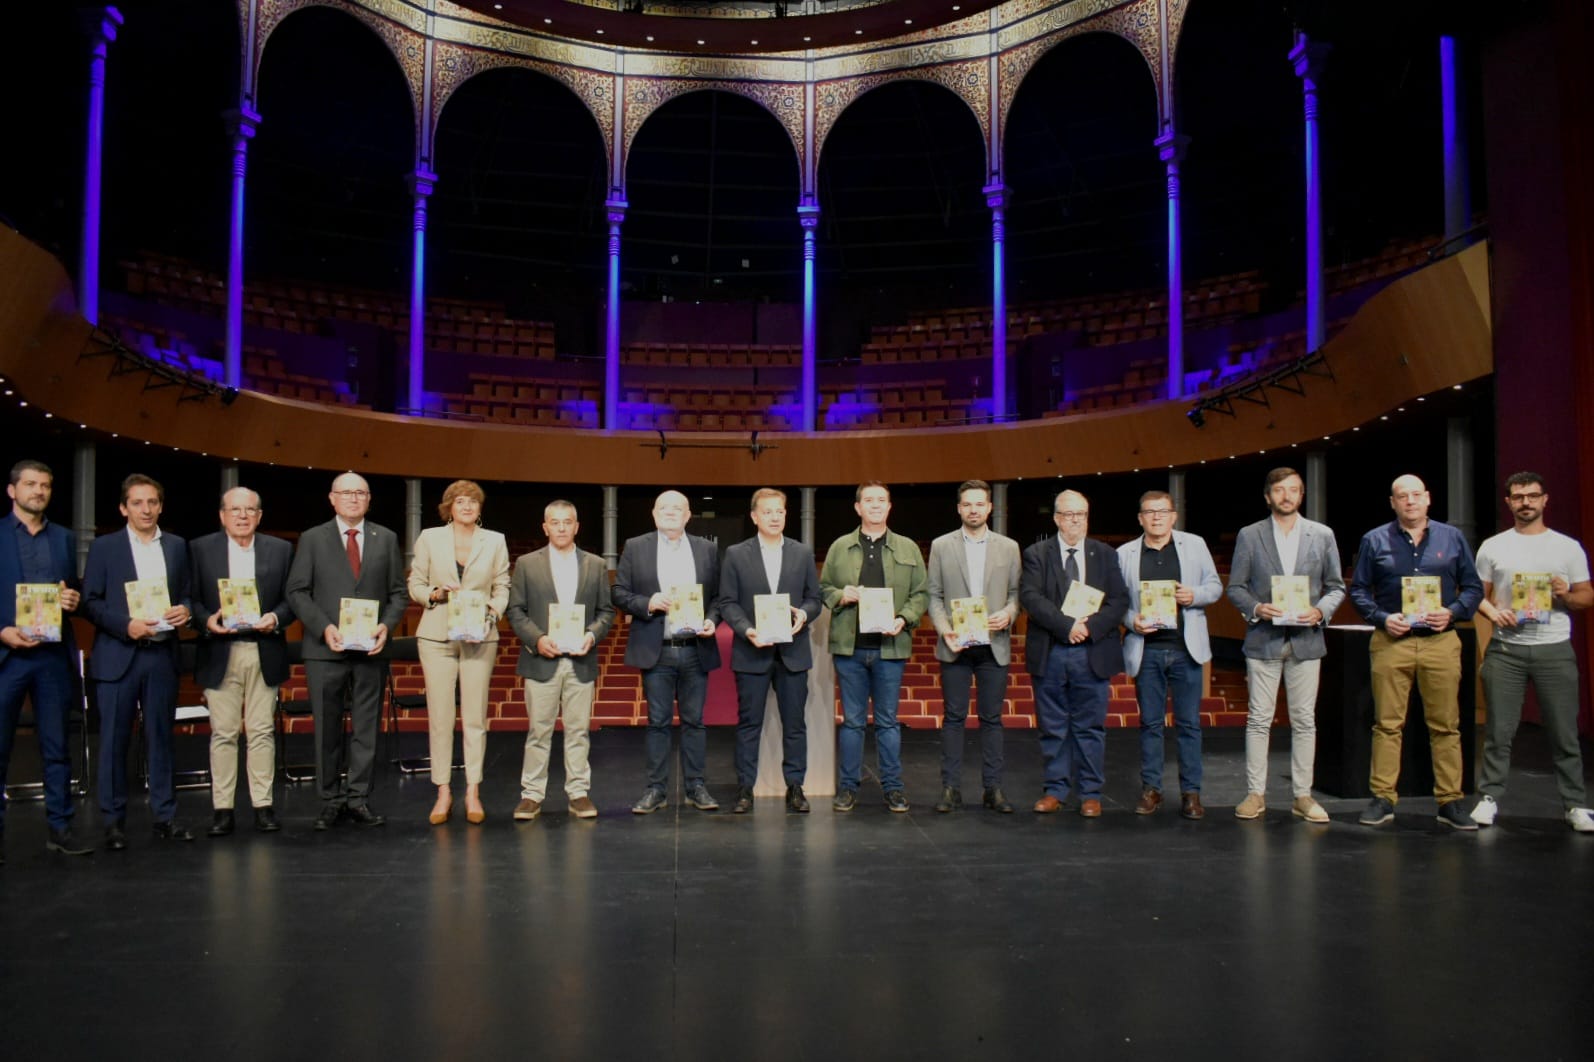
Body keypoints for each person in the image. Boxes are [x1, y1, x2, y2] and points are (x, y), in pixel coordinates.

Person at [1348, 473, 1483, 829]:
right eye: (1402, 496)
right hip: (1392, 642)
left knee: (1446, 725)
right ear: (1392, 503)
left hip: (1441, 641)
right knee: (1387, 724)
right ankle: (1382, 798)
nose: (1410, 501)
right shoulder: (1374, 540)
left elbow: (1473, 588)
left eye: (1415, 494)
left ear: (1428, 498)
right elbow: (1358, 590)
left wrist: (1453, 612)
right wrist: (1382, 617)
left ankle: (1450, 801)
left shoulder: (1452, 538)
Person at [1469, 472, 1593, 832]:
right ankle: (1489, 798)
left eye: (1532, 496)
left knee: (1564, 732)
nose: (1526, 502)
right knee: (1499, 731)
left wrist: (1565, 594)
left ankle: (1575, 804)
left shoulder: (1567, 547)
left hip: (1554, 648)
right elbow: (1476, 594)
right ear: (1508, 502)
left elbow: (1586, 596)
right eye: (1519, 497)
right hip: (1506, 650)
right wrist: (1494, 613)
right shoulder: (1493, 546)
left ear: (1544, 499)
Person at [285, 472, 409, 831]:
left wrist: (386, 625)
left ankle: (358, 798)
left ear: (369, 499)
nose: (353, 498)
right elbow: (297, 591)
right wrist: (324, 627)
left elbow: (398, 593)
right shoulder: (312, 538)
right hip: (326, 649)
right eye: (346, 492)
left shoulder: (386, 538)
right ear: (332, 498)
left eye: (360, 492)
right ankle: (329, 799)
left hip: (371, 650)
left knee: (366, 728)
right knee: (327, 727)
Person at [1225, 468, 1345, 823]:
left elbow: (1336, 587)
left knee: (1305, 721)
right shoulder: (1250, 535)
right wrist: (1257, 608)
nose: (1287, 495)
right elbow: (1236, 588)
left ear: (1301, 495)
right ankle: (1255, 794)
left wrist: (1319, 611)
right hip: (1264, 639)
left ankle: (1302, 796)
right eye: (1280, 490)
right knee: (1258, 720)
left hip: (1307, 641)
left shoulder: (1322, 535)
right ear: (1268, 496)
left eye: (1293, 490)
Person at [81, 473, 194, 849]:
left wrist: (185, 610)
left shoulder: (176, 546)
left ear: (160, 506)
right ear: (123, 508)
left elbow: (188, 594)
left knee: (161, 738)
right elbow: (90, 601)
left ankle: (165, 816)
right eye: (137, 503)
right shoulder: (105, 547)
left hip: (161, 655)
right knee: (114, 741)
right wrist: (124, 625)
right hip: (119, 655)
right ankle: (113, 822)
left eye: (152, 502)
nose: (145, 509)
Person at [0, 459, 92, 860]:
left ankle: (60, 828)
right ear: (12, 490)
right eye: (31, 484)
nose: (38, 491)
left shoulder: (64, 538)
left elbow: (71, 592)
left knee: (57, 748)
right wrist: (1, 631)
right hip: (7, 656)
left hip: (52, 656)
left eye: (45, 485)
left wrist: (72, 599)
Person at [189, 486, 295, 836]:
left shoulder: (280, 550)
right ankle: (223, 809)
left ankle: (263, 806)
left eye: (250, 510)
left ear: (259, 516)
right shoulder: (200, 549)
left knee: (262, 731)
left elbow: (292, 599)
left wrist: (275, 618)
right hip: (220, 650)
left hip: (264, 648)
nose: (242, 516)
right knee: (223, 733)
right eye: (235, 509)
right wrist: (205, 620)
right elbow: (190, 599)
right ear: (222, 516)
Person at [1020, 489, 1129, 817]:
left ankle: (1090, 793)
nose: (1076, 521)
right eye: (1069, 515)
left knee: (1090, 726)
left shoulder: (1105, 554)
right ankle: (1055, 789)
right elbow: (1031, 597)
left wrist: (1089, 628)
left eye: (1081, 514)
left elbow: (1119, 601)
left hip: (1092, 651)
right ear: (1056, 518)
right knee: (1052, 725)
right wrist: (1067, 626)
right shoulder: (1037, 554)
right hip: (1051, 650)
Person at [612, 490, 721, 815]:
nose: (670, 512)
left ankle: (696, 787)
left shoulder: (707, 549)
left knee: (694, 722)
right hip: (656, 648)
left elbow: (719, 597)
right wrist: (646, 603)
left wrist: (712, 620)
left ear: (688, 515)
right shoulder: (636, 546)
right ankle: (655, 790)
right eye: (664, 507)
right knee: (657, 722)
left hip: (695, 648)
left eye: (678, 508)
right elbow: (618, 592)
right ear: (654, 513)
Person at [820, 481, 928, 813]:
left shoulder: (908, 548)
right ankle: (848, 787)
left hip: (890, 647)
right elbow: (824, 588)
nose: (876, 505)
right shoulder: (840, 547)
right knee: (852, 722)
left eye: (882, 499)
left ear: (890, 506)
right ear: (858, 507)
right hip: (850, 648)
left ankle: (893, 788)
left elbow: (921, 593)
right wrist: (841, 595)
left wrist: (904, 618)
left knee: (887, 722)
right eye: (869, 500)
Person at [408, 480, 510, 826]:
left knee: (475, 716)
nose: (467, 506)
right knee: (440, 718)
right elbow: (416, 584)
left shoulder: (494, 540)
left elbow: (502, 586)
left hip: (479, 634)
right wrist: (435, 593)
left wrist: (491, 613)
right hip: (437, 635)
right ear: (448, 507)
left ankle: (472, 791)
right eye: (460, 501)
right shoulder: (429, 538)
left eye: (473, 501)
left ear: (480, 508)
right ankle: (442, 791)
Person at [1116, 491, 1223, 820]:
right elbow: (1116, 602)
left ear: (1174, 516)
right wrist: (1130, 621)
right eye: (1150, 512)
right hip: (1146, 650)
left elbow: (1215, 586)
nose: (1157, 517)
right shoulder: (1125, 553)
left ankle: (1191, 793)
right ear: (1140, 518)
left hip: (1185, 649)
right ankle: (1152, 789)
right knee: (1150, 723)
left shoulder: (1195, 545)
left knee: (1189, 724)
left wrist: (1195, 595)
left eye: (1163, 511)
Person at [506, 500, 614, 821]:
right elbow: (515, 610)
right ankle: (531, 794)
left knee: (578, 731)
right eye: (555, 522)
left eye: (568, 522)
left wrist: (591, 635)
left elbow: (606, 612)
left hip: (581, 660)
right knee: (538, 732)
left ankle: (578, 793)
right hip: (541, 659)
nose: (562, 527)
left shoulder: (596, 564)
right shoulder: (527, 564)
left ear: (577, 527)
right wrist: (537, 639)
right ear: (545, 527)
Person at [716, 488, 822, 814]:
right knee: (749, 724)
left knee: (795, 724)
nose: (775, 517)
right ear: (754, 516)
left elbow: (814, 599)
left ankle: (795, 786)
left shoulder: (802, 553)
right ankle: (745, 788)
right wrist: (748, 630)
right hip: (752, 651)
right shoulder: (736, 554)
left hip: (793, 652)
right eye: (768, 512)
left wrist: (804, 614)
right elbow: (727, 602)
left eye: (780, 511)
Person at [925, 479, 1021, 813]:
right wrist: (944, 630)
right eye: (967, 504)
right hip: (956, 645)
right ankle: (950, 788)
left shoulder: (1009, 547)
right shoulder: (941, 545)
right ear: (959, 509)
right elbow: (934, 595)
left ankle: (993, 789)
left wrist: (1009, 614)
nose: (974, 510)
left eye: (980, 504)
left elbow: (1015, 594)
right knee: (953, 718)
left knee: (992, 719)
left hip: (994, 644)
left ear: (990, 507)